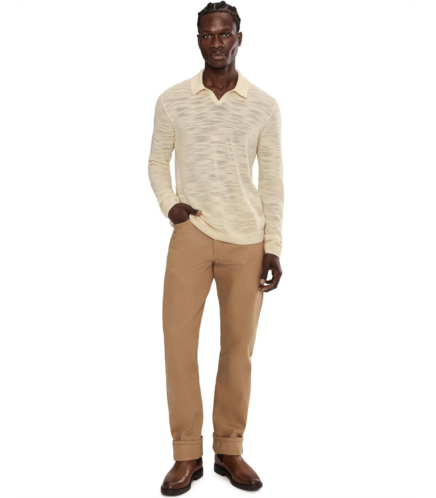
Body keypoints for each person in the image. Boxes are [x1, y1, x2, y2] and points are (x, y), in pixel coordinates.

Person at [148, 1, 284, 494]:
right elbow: (157, 162)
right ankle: (186, 454)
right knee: (178, 343)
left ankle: (229, 448)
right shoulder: (172, 99)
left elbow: (272, 179)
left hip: (247, 240)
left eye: (225, 34)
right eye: (207, 35)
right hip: (191, 234)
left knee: (238, 348)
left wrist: (273, 245)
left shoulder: (263, 105)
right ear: (198, 40)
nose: (216, 43)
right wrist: (171, 206)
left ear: (239, 38)